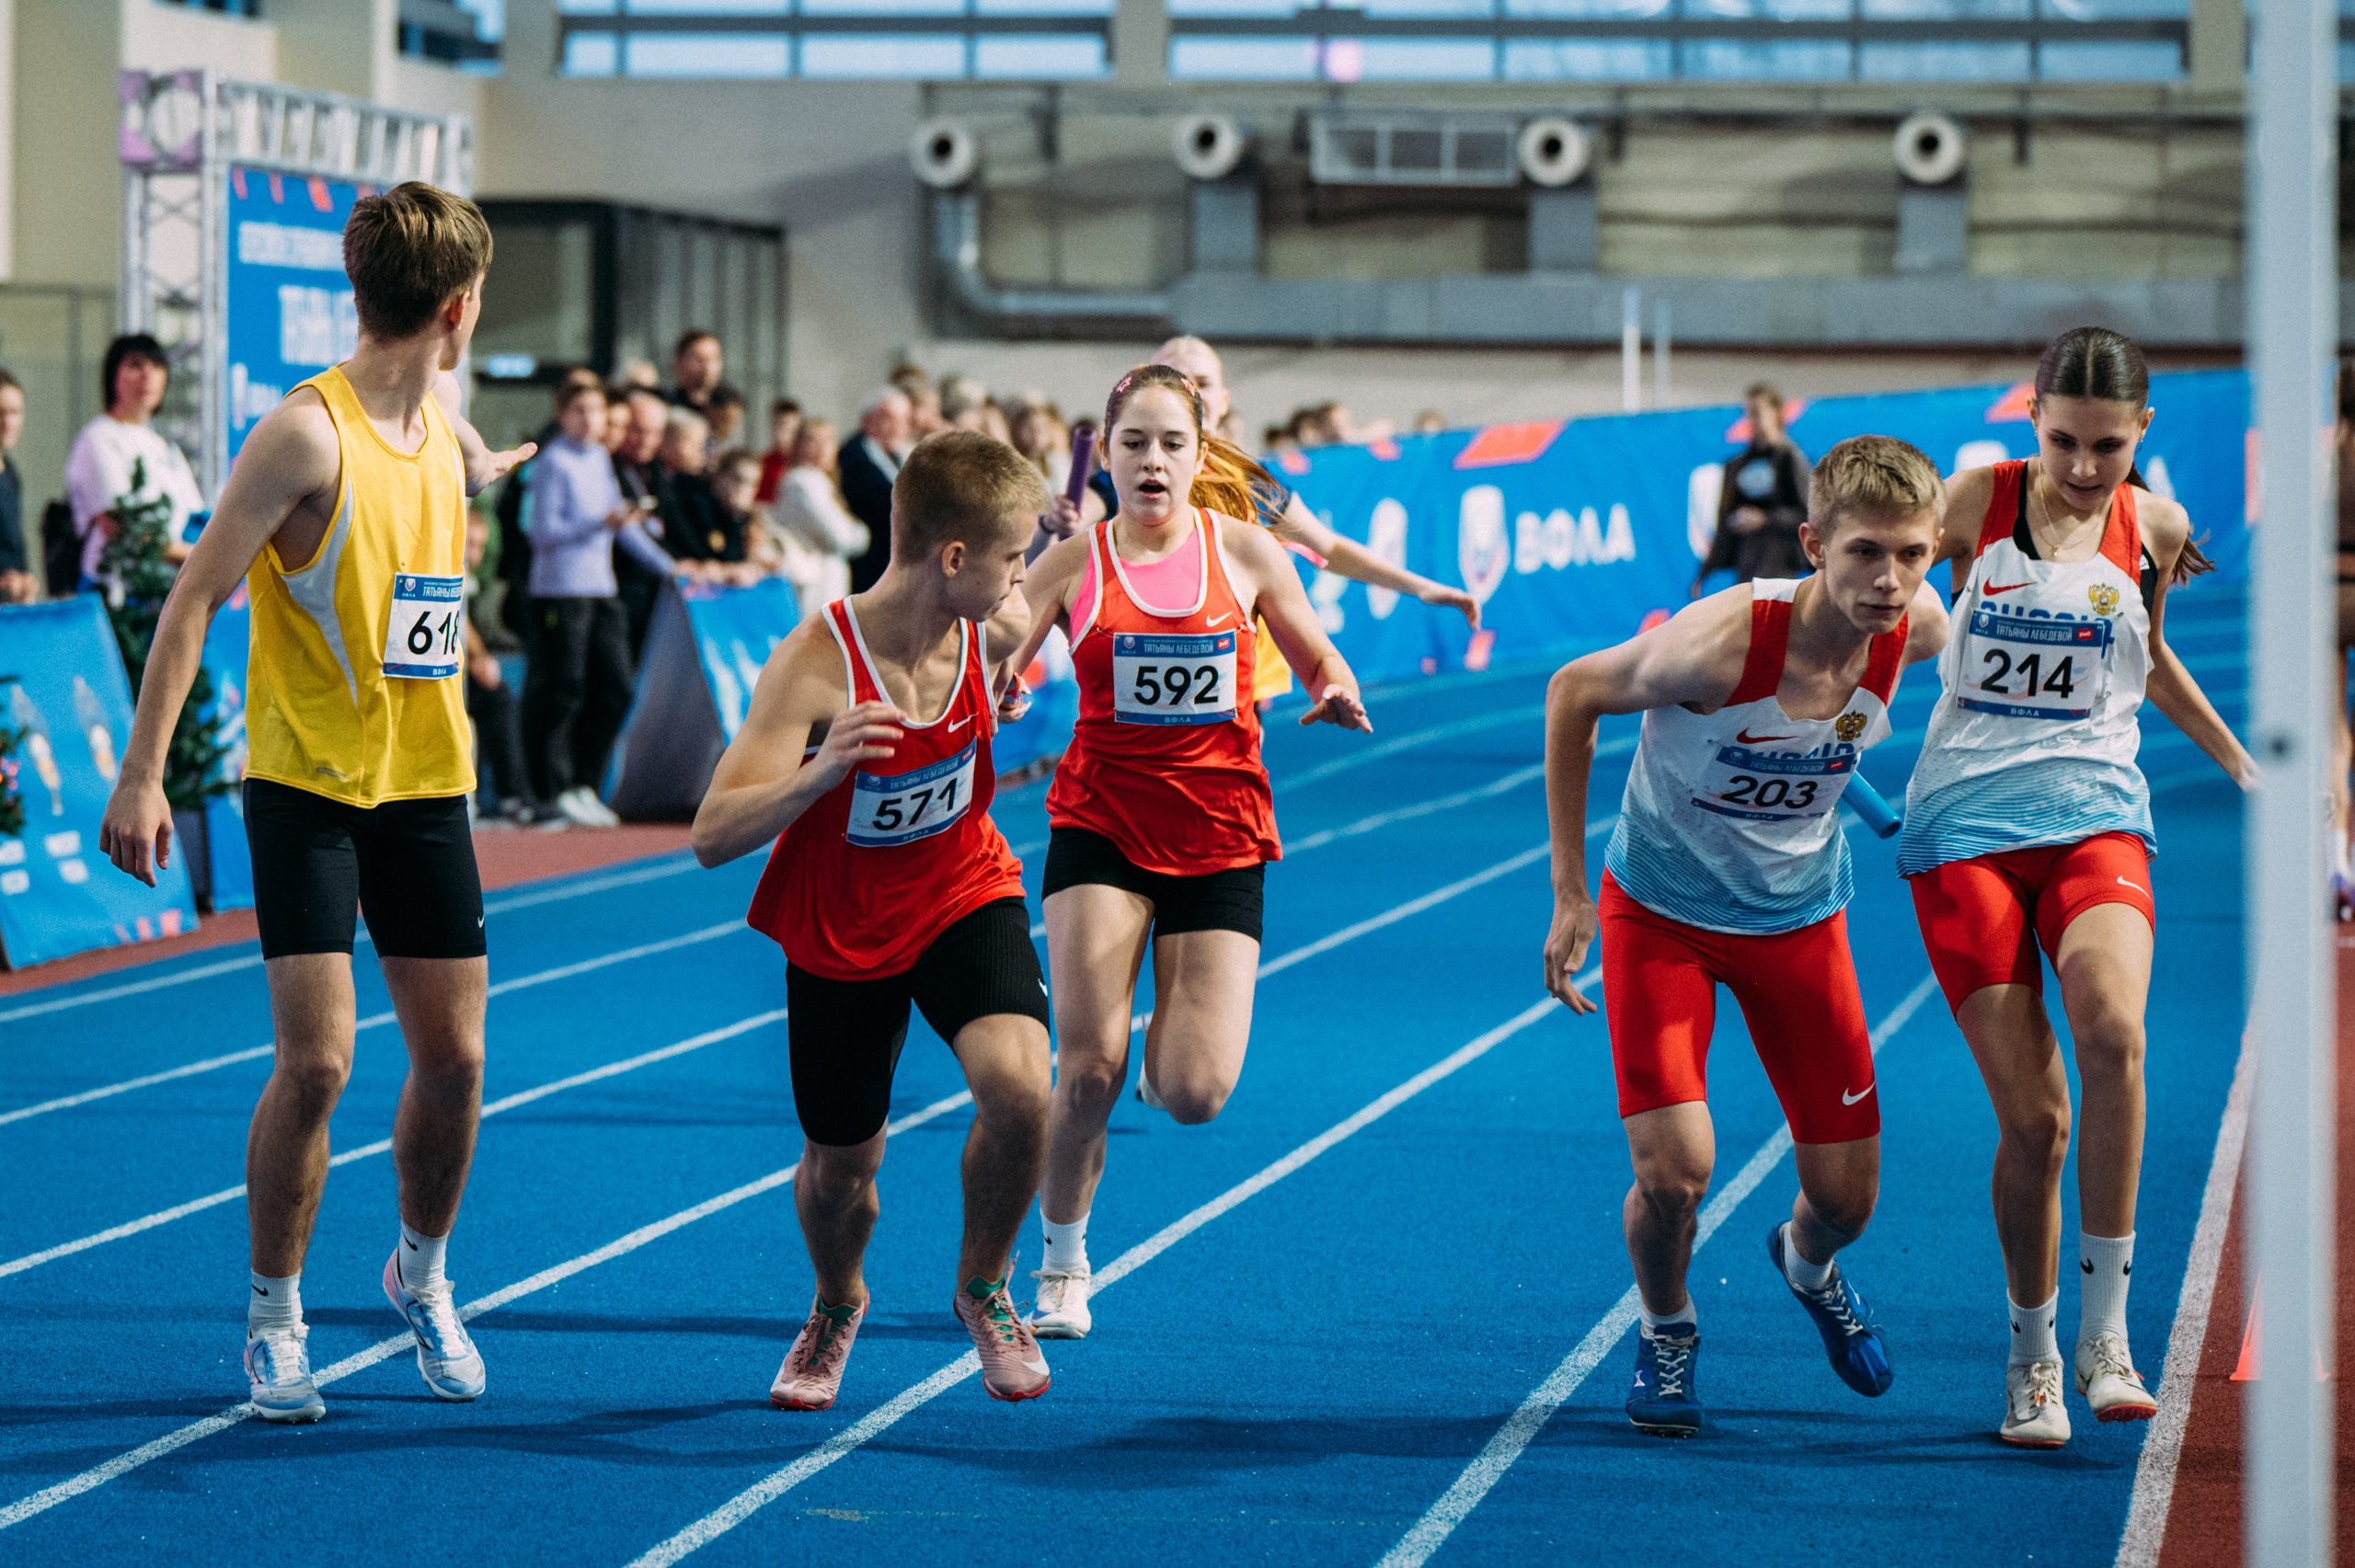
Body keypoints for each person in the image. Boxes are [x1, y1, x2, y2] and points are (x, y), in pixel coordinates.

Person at [97, 181, 533, 1424]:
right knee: (322, 1061)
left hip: (427, 785)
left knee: (455, 1062)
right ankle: (275, 1315)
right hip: (307, 790)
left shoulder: (436, 414)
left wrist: (477, 461)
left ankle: (423, 1274)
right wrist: (140, 774)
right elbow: (190, 601)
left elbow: (436, 455)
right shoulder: (304, 435)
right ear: (456, 308)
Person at [1539, 436, 1949, 1438]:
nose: (1886, 579)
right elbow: (1571, 693)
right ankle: (1667, 1326)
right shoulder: (1717, 643)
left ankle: (1805, 1263)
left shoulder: (1920, 629)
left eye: (1909, 554)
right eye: (1862, 553)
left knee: (1848, 1200)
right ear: (1812, 543)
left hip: (1797, 919)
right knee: (1674, 1173)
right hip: (1663, 915)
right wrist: (1567, 894)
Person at [1899, 326, 2255, 1448]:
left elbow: (2147, 656)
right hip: (1963, 828)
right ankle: (2032, 1355)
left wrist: (2243, 762)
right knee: (2038, 1122)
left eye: (2106, 445)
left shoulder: (2153, 523)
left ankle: (2107, 1335)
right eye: (2062, 441)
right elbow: (1861, 591)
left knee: (2114, 1032)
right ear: (2030, 419)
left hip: (2097, 812)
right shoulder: (1969, 504)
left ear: (2140, 431)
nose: (2084, 466)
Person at [1000, 363, 1372, 1341]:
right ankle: (1063, 1258)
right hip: (1102, 827)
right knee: (1086, 1072)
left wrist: (1330, 685)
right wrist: (997, 672)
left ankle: (1168, 1012)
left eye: (1173, 444)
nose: (1153, 460)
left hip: (1218, 834)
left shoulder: (1246, 549)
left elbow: (1315, 649)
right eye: (1135, 444)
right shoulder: (1075, 560)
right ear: (1108, 456)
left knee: (1195, 1093)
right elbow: (1002, 637)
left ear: (1200, 457)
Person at [689, 429, 1057, 1410]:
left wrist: (1008, 684)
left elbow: (1048, 595)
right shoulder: (815, 664)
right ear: (952, 558)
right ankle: (835, 1298)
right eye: (1010, 557)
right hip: (843, 926)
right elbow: (711, 835)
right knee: (843, 1164)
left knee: (1024, 1093)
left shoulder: (997, 623)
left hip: (961, 888)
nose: (1021, 577)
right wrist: (823, 769)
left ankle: (984, 1282)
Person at [1060, 336, 1482, 706]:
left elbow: (1327, 547)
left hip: (1237, 677)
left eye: (1202, 383)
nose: (1189, 391)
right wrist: (1064, 520)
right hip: (1141, 662)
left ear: (1223, 400)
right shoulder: (1127, 472)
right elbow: (1083, 516)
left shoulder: (1251, 481)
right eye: (1174, 377)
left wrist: (1419, 586)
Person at [523, 380, 672, 828]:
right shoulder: (553, 463)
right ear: (563, 415)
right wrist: (598, 522)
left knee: (618, 686)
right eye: (580, 411)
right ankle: (552, 791)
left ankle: (585, 783)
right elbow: (542, 533)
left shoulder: (601, 459)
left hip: (601, 589)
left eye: (597, 412)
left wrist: (673, 567)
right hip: (561, 590)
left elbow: (621, 530)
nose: (590, 420)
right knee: (564, 688)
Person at [67, 333, 209, 589]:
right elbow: (120, 526)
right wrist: (198, 559)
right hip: (116, 593)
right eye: (135, 365)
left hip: (165, 589)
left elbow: (194, 518)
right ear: (112, 376)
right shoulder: (99, 439)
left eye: (156, 367)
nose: (147, 376)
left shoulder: (163, 446)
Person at [1694, 384, 1811, 595]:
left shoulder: (1790, 460)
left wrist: (1765, 519)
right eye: (1748, 414)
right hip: (1747, 568)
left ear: (1776, 413)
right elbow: (1725, 523)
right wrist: (1705, 571)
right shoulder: (1737, 466)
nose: (1752, 421)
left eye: (1757, 413)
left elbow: (1807, 515)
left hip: (1781, 568)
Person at [463, 511, 533, 822]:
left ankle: (511, 797)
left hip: (464, 676)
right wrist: (477, 659)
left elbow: (463, 623)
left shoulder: (469, 578)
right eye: (469, 545)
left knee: (499, 697)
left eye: (480, 546)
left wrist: (480, 659)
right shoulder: (440, 568)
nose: (474, 555)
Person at [767, 419, 869, 615]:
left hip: (828, 579)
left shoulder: (822, 481)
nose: (822, 447)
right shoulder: (803, 482)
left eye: (828, 440)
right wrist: (860, 532)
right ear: (798, 445)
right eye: (813, 440)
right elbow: (842, 537)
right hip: (815, 583)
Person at [841, 387, 913, 593]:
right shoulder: (855, 455)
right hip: (869, 568)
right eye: (890, 418)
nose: (899, 427)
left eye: (904, 419)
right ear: (868, 419)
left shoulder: (901, 454)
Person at [0, 368, 35, 603]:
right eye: (0, 412)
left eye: (14, 412)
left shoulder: (11, 473)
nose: (7, 422)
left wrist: (25, 582)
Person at [756, 397, 803, 506]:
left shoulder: (801, 465)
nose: (781, 431)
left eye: (786, 425)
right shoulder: (760, 462)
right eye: (777, 424)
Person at [668, 329, 722, 415]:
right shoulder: (664, 407)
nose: (707, 368)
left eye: (713, 359)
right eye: (699, 360)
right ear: (678, 362)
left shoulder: (727, 408)